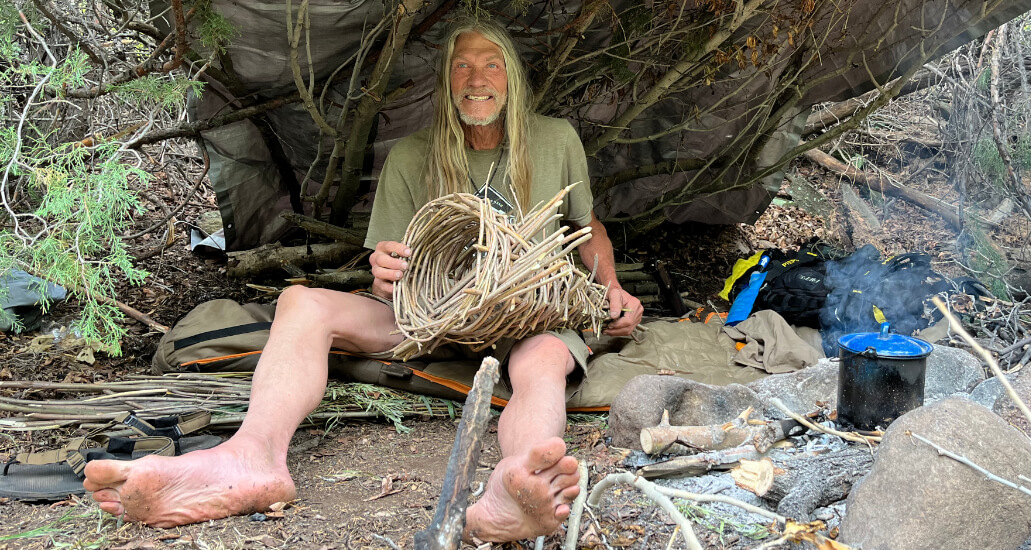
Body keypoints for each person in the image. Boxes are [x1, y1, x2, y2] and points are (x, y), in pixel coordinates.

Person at [82, 15, 643, 544]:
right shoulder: (412, 155)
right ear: (446, 81)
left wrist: (612, 286)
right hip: (436, 317)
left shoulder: (555, 140)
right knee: (302, 302)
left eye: (491, 64)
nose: (477, 80)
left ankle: (517, 485)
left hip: (528, 317)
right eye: (462, 67)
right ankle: (252, 459)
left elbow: (583, 225)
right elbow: (387, 274)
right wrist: (385, 273)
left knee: (542, 362)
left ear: (512, 77)